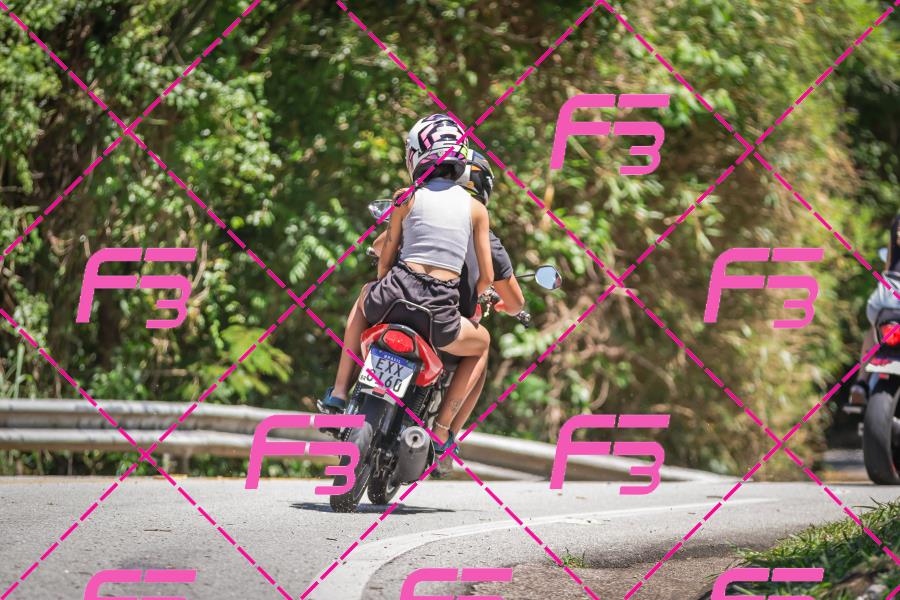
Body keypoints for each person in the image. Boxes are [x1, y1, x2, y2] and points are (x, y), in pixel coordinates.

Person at [320, 114, 494, 455]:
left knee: (364, 294)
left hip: (395, 294)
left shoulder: (406, 197)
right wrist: (473, 307)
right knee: (483, 344)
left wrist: (383, 288)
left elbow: (385, 259)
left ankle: (339, 394)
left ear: (417, 155)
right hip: (438, 314)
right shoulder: (476, 209)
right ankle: (441, 432)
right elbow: (486, 276)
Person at [850, 215, 900, 405]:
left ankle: (861, 383)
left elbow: (889, 265)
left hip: (885, 301)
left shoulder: (898, 221)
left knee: (875, 328)